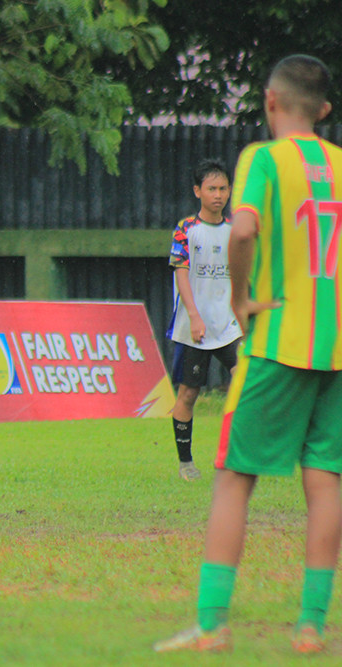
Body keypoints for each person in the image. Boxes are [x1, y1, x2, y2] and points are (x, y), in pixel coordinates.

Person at [155, 54, 342, 654]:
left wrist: (240, 299)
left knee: (235, 478)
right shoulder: (341, 166)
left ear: (270, 101)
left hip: (278, 341)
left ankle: (212, 625)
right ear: (325, 110)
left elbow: (242, 230)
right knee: (326, 482)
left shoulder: (263, 159)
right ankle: (311, 626)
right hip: (337, 349)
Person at [165, 159, 241, 481]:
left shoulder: (236, 230)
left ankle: (233, 456)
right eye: (211, 189)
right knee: (188, 394)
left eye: (223, 188)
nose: (218, 195)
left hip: (229, 325)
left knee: (246, 382)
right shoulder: (186, 229)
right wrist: (195, 317)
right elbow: (181, 274)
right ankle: (186, 463)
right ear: (198, 191)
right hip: (194, 326)